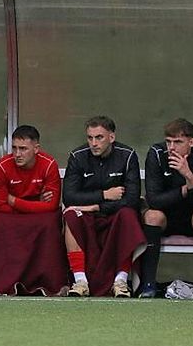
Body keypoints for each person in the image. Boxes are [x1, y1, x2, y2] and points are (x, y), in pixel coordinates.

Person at [0, 125, 68, 295]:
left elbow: (51, 206)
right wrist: (36, 204)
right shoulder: (3, 166)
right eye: (14, 148)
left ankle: (48, 284)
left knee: (51, 223)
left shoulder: (49, 165)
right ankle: (5, 284)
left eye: (23, 149)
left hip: (27, 215)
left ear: (36, 149)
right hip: (11, 216)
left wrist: (14, 201)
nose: (17, 154)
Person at [61, 116, 146, 297]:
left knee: (129, 215)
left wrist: (96, 207)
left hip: (113, 214)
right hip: (88, 215)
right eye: (90, 138)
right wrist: (104, 195)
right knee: (70, 215)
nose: (93, 143)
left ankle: (120, 281)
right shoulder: (77, 156)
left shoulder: (127, 155)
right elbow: (69, 197)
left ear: (111, 138)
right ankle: (80, 281)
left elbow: (131, 199)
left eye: (99, 137)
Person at [138, 118, 193, 299]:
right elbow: (154, 200)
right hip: (165, 216)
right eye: (168, 141)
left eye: (178, 142)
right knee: (152, 216)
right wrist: (189, 187)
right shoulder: (156, 154)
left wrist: (188, 176)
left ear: (191, 142)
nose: (171, 147)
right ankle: (148, 285)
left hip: (191, 217)